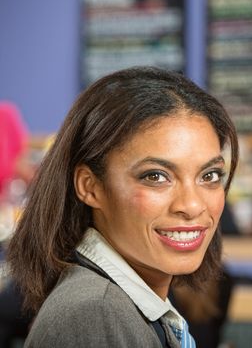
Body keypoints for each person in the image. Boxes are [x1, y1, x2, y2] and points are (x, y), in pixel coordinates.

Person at [6, 66, 239, 347]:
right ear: (90, 186)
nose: (191, 205)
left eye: (209, 176)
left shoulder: (124, 306)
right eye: (155, 176)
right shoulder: (95, 315)